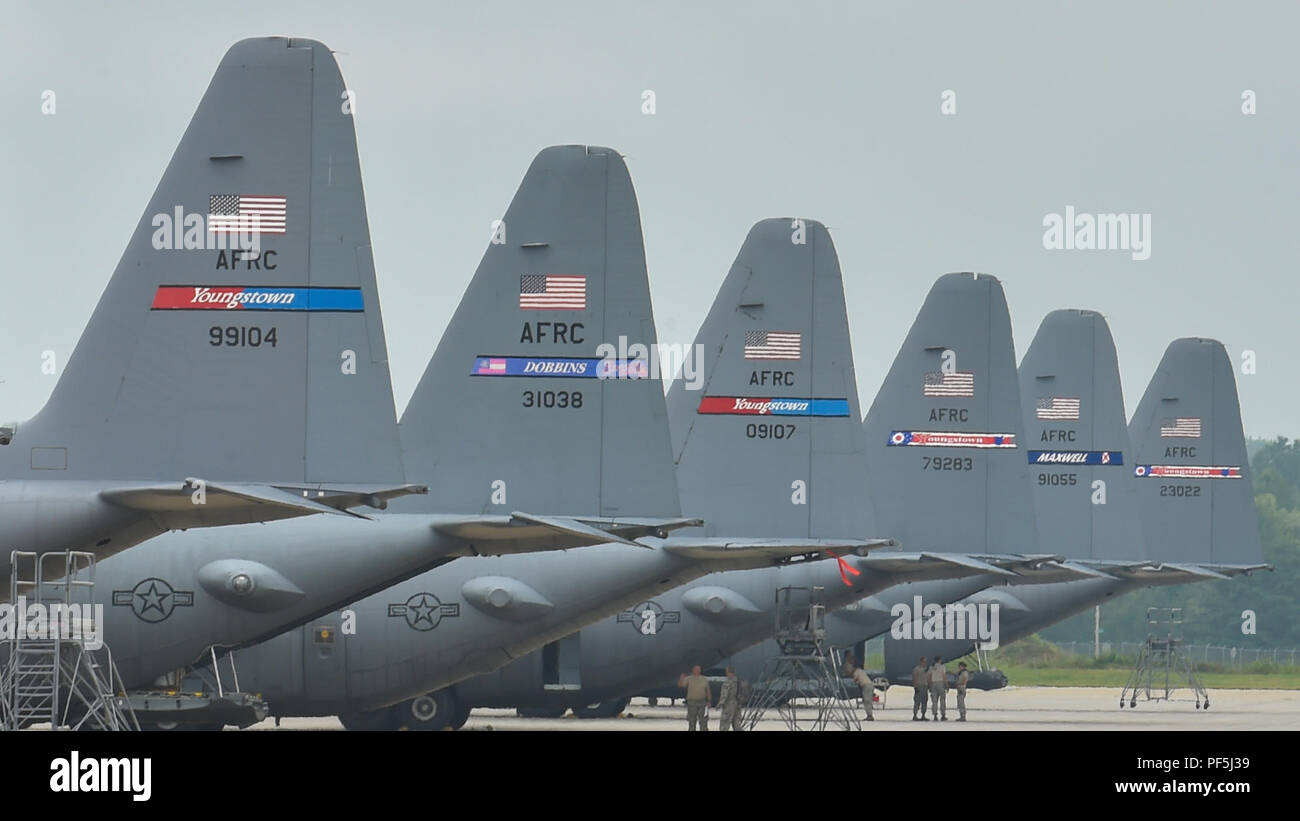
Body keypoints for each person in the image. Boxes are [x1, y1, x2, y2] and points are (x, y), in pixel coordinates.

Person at [678, 665, 712, 731]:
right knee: (692, 722)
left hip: (703, 703)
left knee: (703, 722)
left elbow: (708, 690)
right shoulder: (689, 678)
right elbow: (681, 685)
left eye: (699, 669)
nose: (697, 670)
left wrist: (709, 701)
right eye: (696, 669)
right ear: (693, 670)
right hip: (692, 703)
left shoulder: (704, 679)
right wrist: (681, 679)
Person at [716, 666, 744, 731]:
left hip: (729, 705)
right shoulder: (738, 681)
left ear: (728, 671)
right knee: (737, 725)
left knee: (724, 724)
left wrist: (720, 703)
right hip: (737, 704)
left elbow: (725, 694)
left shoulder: (728, 681)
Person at [928, 655, 948, 721]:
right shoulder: (942, 667)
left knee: (934, 700)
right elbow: (944, 676)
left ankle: (935, 715)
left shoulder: (931, 667)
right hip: (940, 683)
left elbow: (929, 677)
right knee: (942, 700)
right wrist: (946, 685)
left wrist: (929, 685)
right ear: (939, 660)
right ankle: (943, 715)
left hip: (933, 683)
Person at [911, 656, 929, 721]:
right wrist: (915, 687)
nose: (925, 663)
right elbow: (914, 678)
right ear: (921, 662)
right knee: (917, 702)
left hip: (925, 686)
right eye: (924, 662)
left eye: (926, 662)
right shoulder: (916, 669)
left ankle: (923, 715)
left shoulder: (926, 669)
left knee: (924, 701)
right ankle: (915, 715)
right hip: (919, 686)